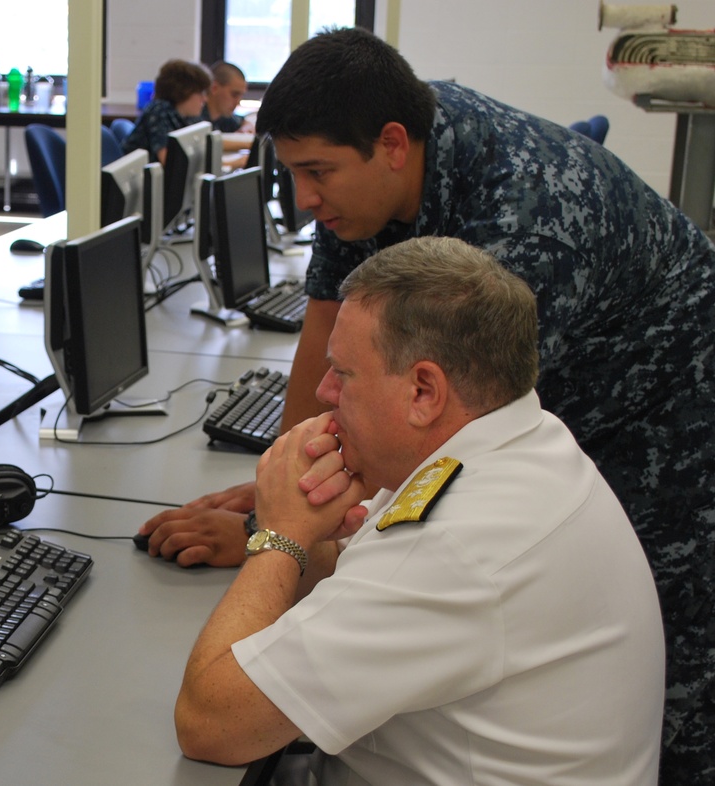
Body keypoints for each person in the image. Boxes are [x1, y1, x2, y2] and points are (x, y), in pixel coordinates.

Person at [145, 27, 715, 781]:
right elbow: (332, 333)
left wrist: (270, 540)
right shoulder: (369, 168)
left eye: (316, 173)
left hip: (671, 412)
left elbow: (444, 412)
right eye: (292, 174)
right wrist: (288, 485)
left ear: (390, 145)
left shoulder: (525, 211)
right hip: (523, 437)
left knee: (662, 679)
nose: (305, 199)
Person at [175, 237, 666, 784]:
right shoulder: (512, 441)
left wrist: (279, 536)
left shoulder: (456, 549)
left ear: (424, 392)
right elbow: (363, 575)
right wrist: (311, 542)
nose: (323, 389)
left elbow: (212, 726)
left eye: (344, 373)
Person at [121, 59, 210, 166]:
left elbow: (205, 144)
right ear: (183, 91)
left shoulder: (186, 115)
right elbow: (169, 164)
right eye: (200, 93)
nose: (205, 99)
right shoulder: (159, 110)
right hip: (144, 179)